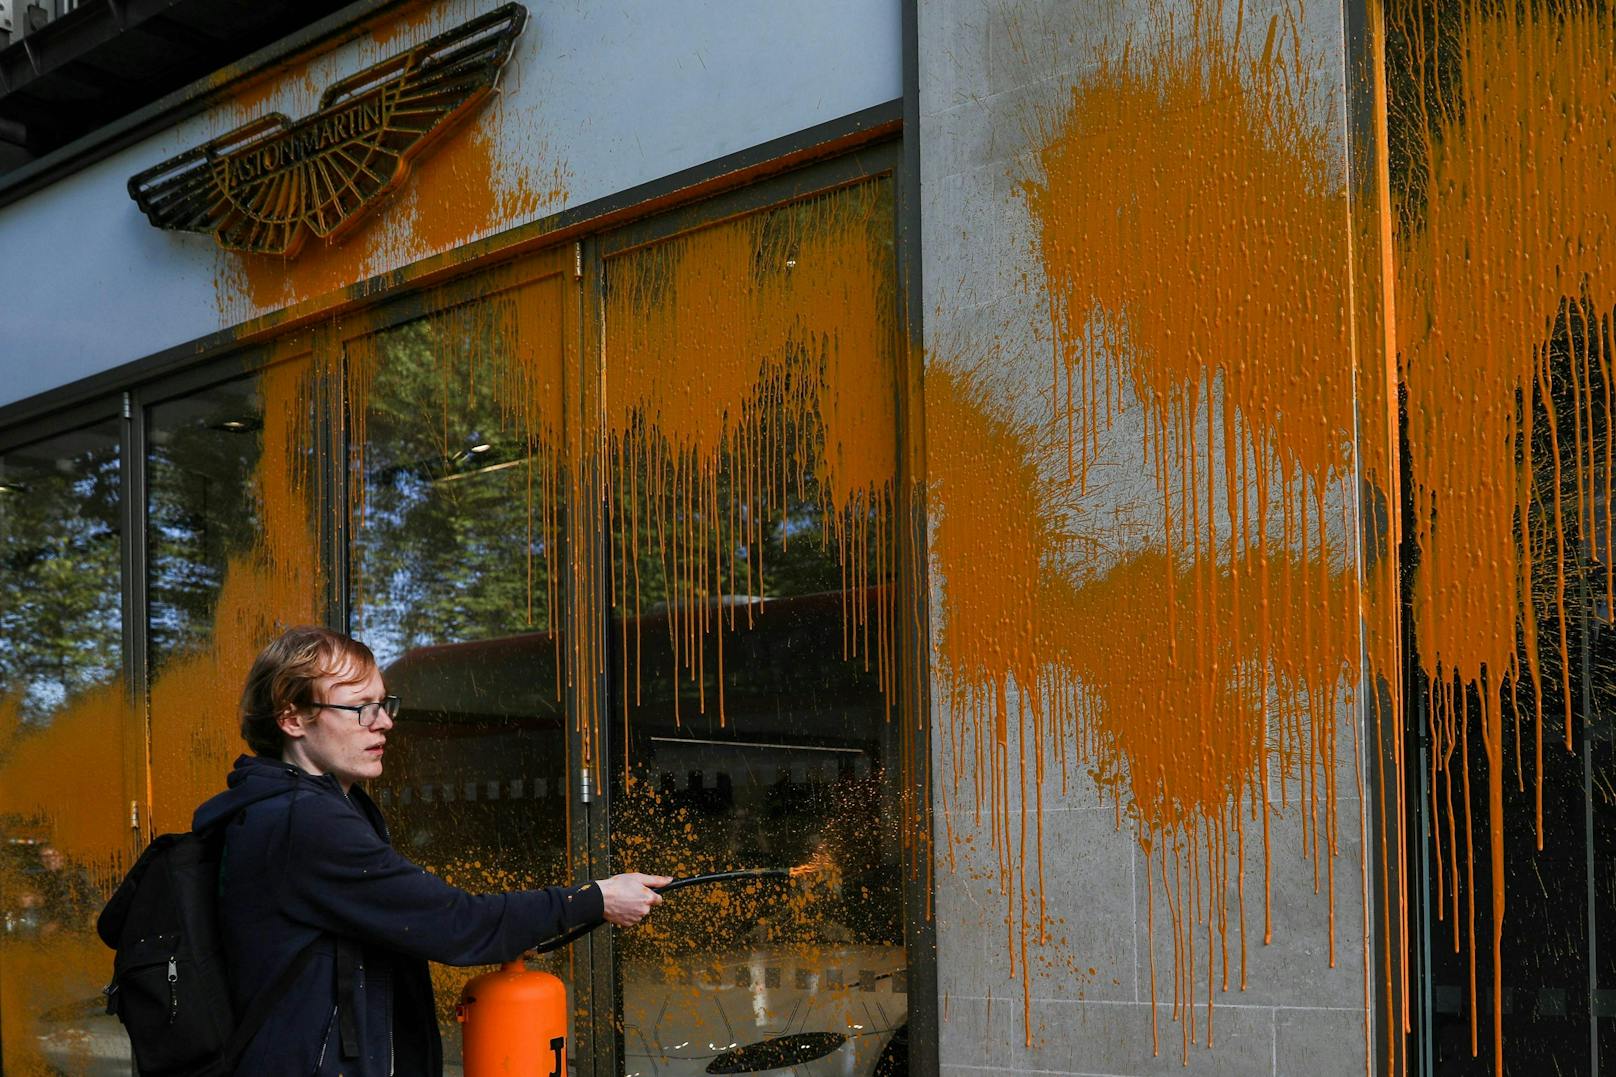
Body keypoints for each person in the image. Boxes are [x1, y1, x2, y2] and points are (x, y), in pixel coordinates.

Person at [193, 625, 669, 1076]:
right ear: (292, 718)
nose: (384, 723)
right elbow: (453, 923)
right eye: (361, 707)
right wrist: (596, 898)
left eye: (384, 703)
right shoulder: (303, 821)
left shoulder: (323, 806)